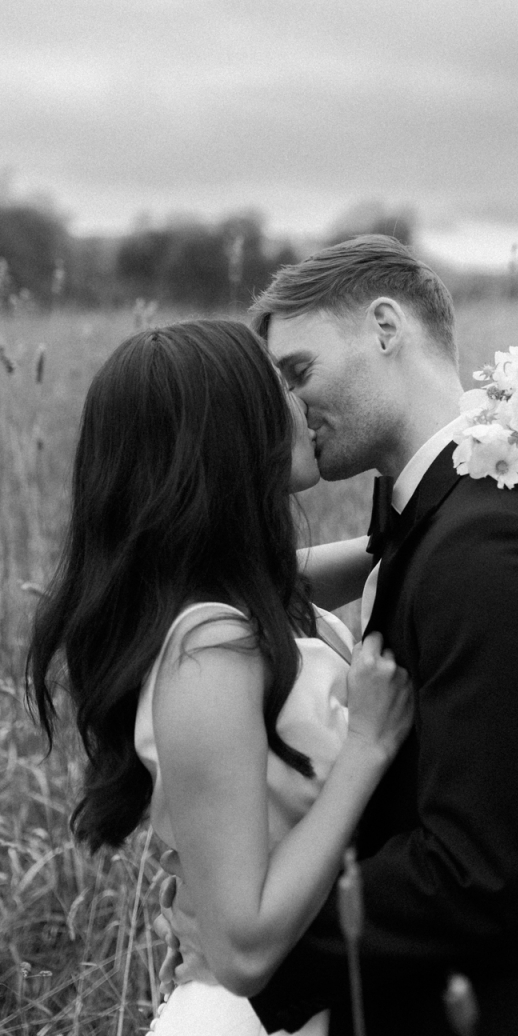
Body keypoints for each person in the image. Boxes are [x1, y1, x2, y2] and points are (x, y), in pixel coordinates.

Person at [164, 235, 518, 1034]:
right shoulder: (432, 521)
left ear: (386, 328)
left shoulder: (495, 549)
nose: (289, 408)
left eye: (299, 371)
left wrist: (250, 944)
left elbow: (473, 870)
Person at [26, 318, 413, 1036]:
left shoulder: (245, 598)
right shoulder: (209, 652)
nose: (301, 401)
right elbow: (242, 950)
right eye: (279, 388)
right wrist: (366, 745)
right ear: (230, 434)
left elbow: (385, 551)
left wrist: (478, 478)